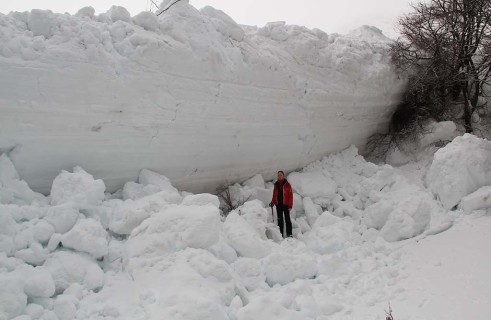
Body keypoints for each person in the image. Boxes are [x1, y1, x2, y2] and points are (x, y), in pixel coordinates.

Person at [269, 170, 293, 238]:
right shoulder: (276, 184)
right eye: (278, 175)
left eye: (280, 175)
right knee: (280, 221)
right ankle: (281, 234)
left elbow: (290, 196)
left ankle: (289, 234)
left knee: (287, 220)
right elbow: (274, 195)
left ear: (283, 175)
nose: (279, 176)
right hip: (278, 205)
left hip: (286, 205)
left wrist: (290, 206)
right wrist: (272, 202)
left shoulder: (287, 184)